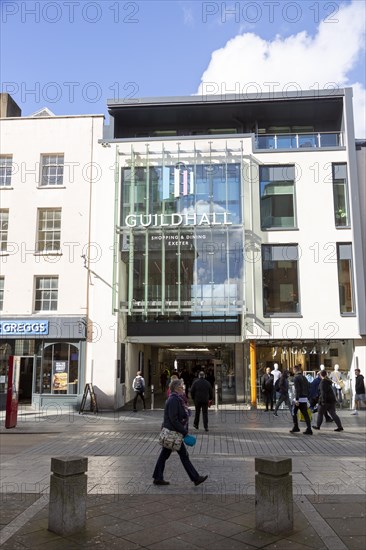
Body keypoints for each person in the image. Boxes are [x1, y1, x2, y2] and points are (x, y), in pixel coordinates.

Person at [152, 378, 208, 486]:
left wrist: (186, 413)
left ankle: (158, 477)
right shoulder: (173, 399)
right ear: (177, 388)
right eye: (182, 387)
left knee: (165, 455)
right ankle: (195, 478)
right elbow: (173, 419)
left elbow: (179, 414)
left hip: (173, 433)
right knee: (183, 455)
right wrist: (184, 432)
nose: (183, 389)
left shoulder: (177, 399)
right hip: (173, 433)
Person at [290, 365, 312, 435]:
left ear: (294, 370)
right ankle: (309, 428)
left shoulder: (296, 378)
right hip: (304, 398)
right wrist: (307, 397)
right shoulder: (304, 377)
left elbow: (297, 389)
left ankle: (296, 427)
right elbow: (308, 387)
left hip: (299, 398)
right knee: (305, 414)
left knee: (294, 412)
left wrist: (296, 399)